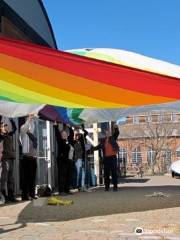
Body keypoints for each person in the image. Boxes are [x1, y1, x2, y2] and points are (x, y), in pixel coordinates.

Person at [92, 125, 119, 191]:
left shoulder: (113, 138)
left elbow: (117, 133)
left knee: (114, 173)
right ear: (105, 134)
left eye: (108, 132)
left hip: (113, 158)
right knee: (106, 174)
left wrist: (116, 128)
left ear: (110, 133)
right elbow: (98, 147)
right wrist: (91, 149)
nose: (107, 133)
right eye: (106, 132)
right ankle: (107, 187)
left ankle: (115, 187)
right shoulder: (103, 141)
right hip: (106, 159)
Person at [20, 114, 38, 201]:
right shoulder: (24, 133)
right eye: (28, 123)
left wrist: (32, 119)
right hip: (26, 158)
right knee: (26, 178)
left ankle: (32, 194)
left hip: (33, 158)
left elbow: (32, 126)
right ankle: (25, 196)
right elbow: (26, 127)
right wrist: (28, 119)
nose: (30, 126)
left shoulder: (32, 134)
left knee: (32, 178)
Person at [0, 119, 17, 203]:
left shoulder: (8, 134)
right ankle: (3, 196)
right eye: (3, 126)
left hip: (11, 158)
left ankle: (11, 197)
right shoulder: (1, 136)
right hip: (5, 159)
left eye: (5, 126)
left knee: (11, 179)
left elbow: (14, 129)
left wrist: (12, 120)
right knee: (3, 178)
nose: (5, 127)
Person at [54, 123, 74, 195]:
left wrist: (70, 127)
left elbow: (72, 134)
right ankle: (61, 191)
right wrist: (55, 126)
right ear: (61, 135)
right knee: (62, 175)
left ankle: (67, 190)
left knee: (68, 175)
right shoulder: (60, 141)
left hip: (69, 161)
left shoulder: (69, 141)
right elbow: (57, 135)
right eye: (63, 134)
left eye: (65, 134)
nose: (64, 135)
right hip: (62, 160)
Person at [70, 125, 88, 191]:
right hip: (77, 159)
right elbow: (70, 136)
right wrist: (72, 130)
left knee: (83, 173)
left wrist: (82, 128)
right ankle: (78, 185)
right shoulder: (72, 141)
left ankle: (82, 185)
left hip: (82, 158)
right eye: (76, 134)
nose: (77, 136)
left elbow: (86, 133)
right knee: (78, 173)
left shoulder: (81, 140)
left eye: (78, 134)